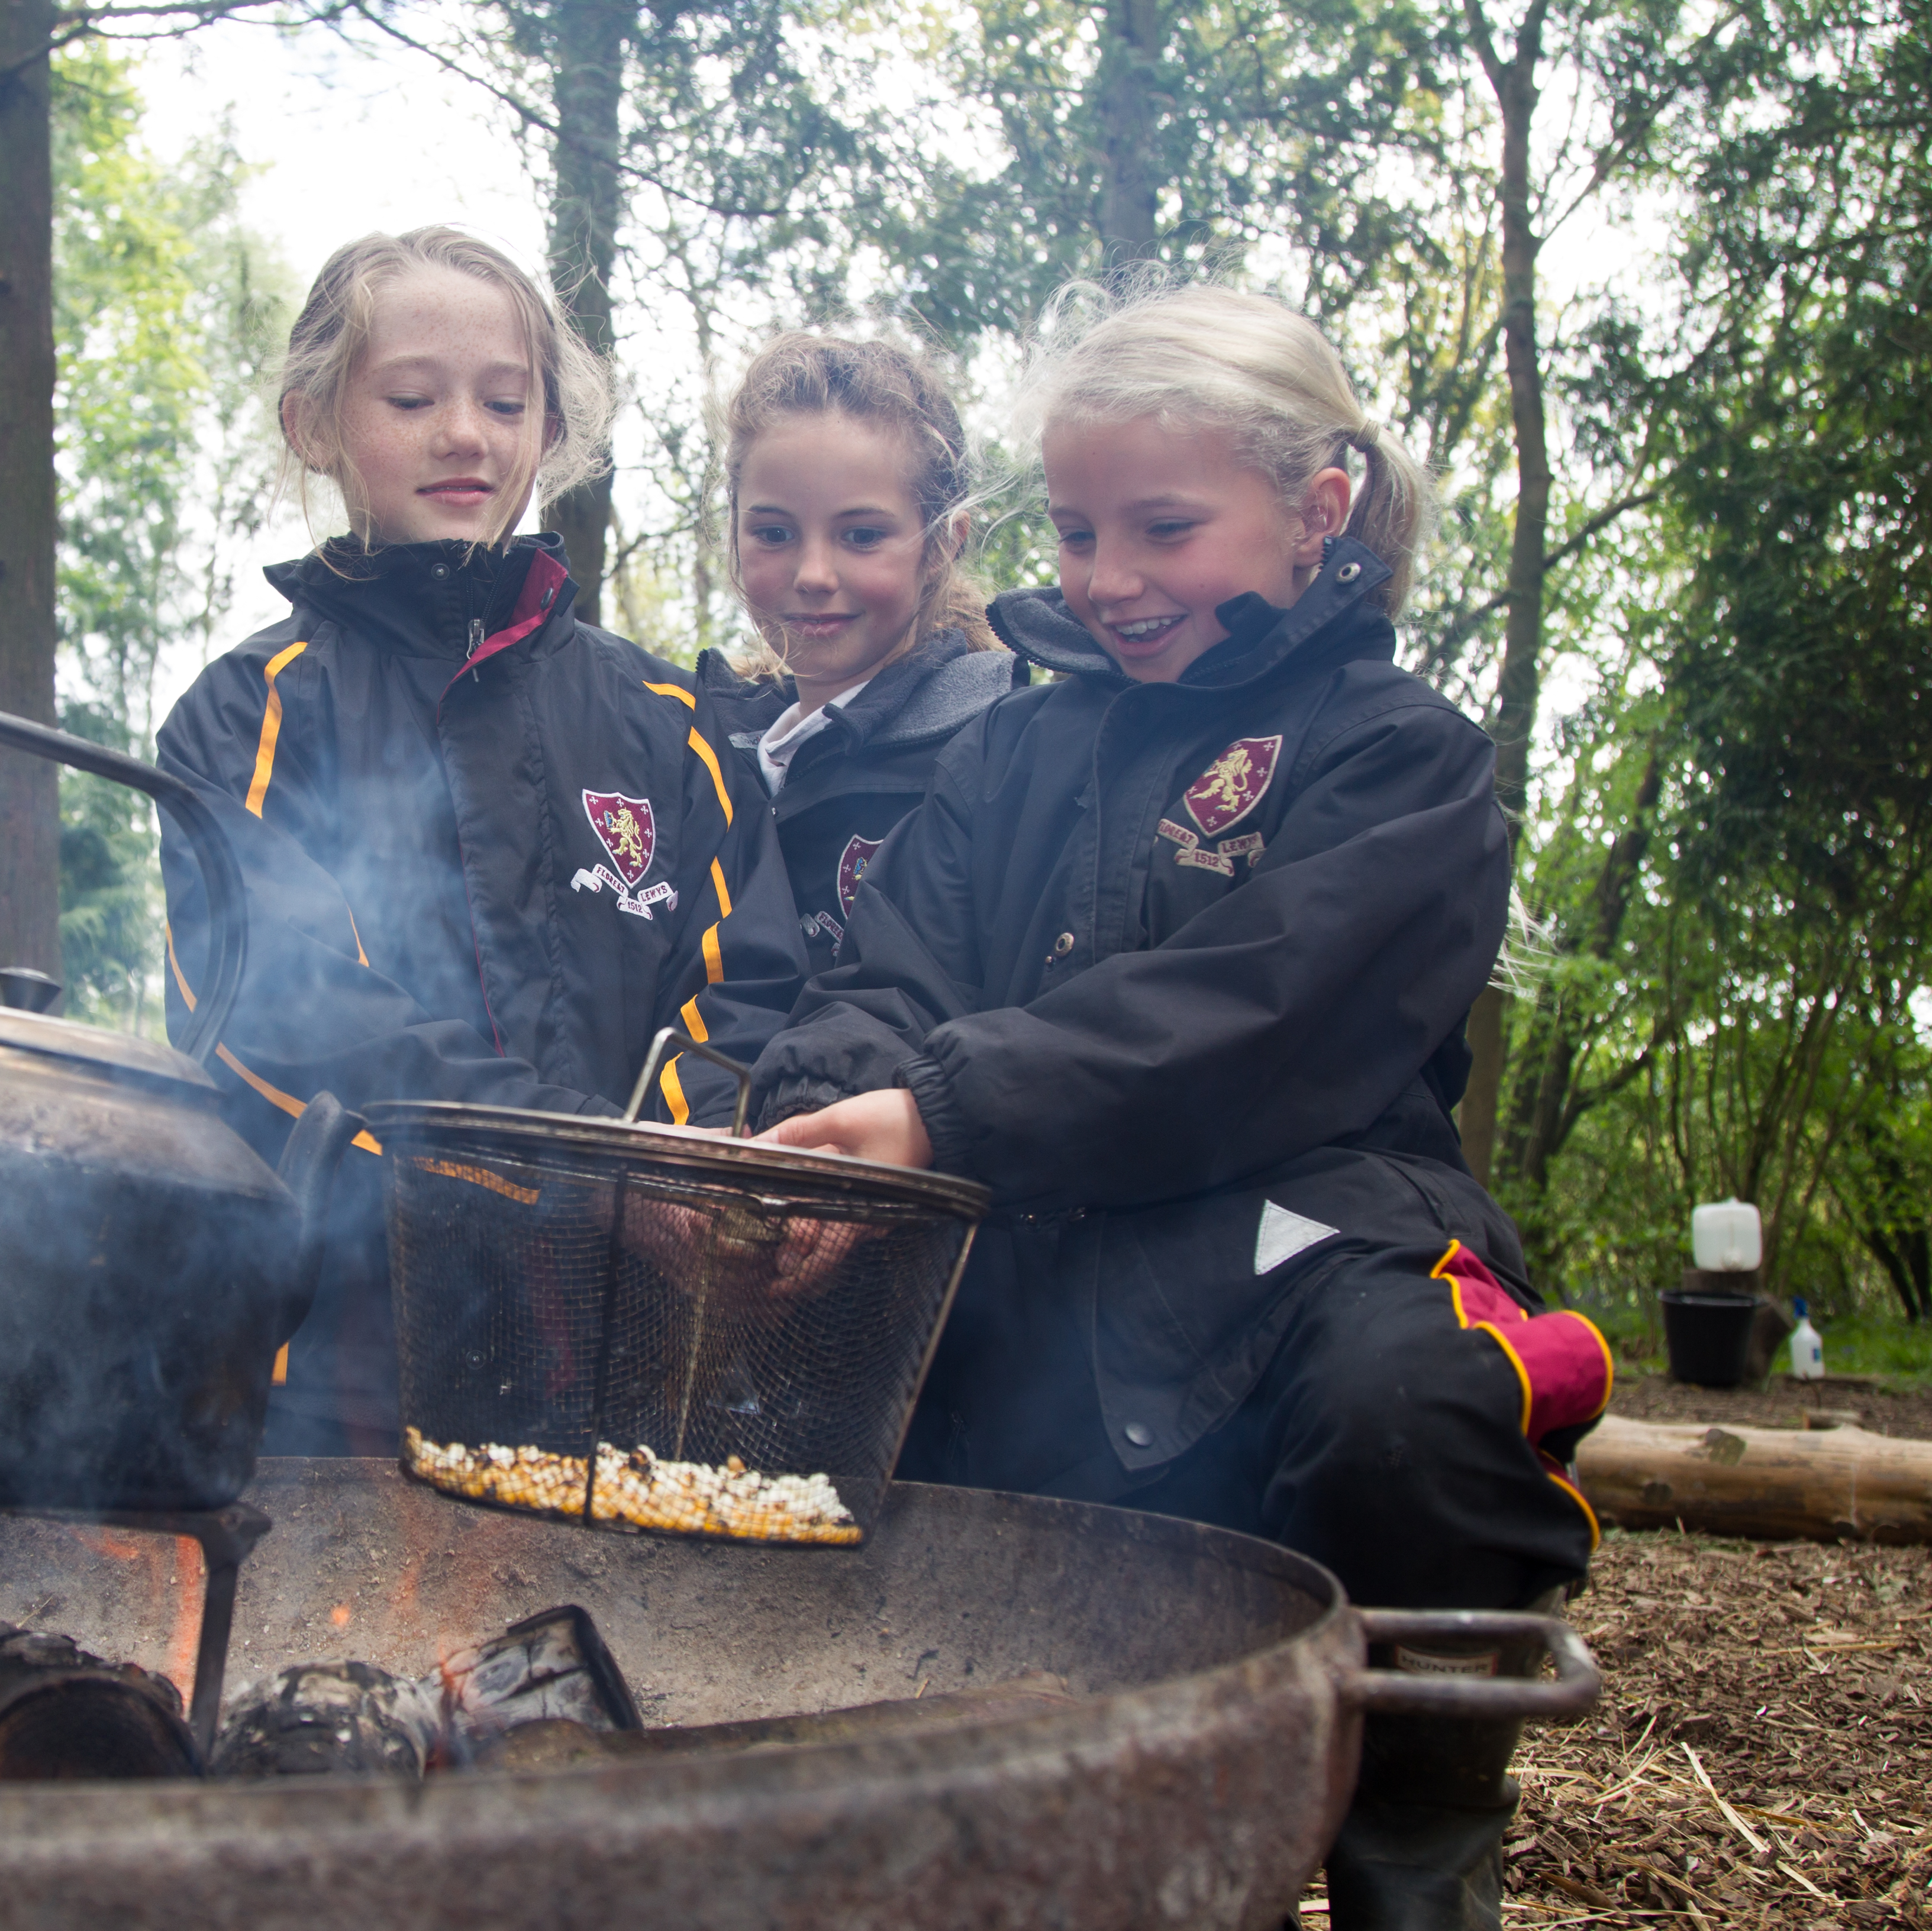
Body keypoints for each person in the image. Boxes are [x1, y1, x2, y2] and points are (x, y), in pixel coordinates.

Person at [746, 281, 1612, 1929]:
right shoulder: (1010, 754)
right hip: (1024, 1256)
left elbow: (1267, 1010)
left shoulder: (1402, 755)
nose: (1110, 579)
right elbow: (886, 979)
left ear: (1318, 509)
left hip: (1302, 1245)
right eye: (1079, 530)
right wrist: (806, 1132)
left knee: (1416, 1403)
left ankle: (1413, 1861)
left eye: (1164, 526)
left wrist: (946, 1114)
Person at [154, 227, 807, 1461]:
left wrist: (674, 1174)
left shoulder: (666, 724)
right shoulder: (251, 712)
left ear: (548, 429)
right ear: (316, 425)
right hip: (331, 1362)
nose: (466, 433)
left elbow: (744, 988)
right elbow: (275, 1009)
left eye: (507, 401)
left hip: (631, 1357)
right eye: (412, 397)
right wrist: (587, 1169)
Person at [694, 335, 1021, 974]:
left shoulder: (998, 755)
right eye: (775, 533)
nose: (814, 573)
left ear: (942, 546)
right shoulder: (698, 752)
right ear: (732, 533)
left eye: (862, 536)